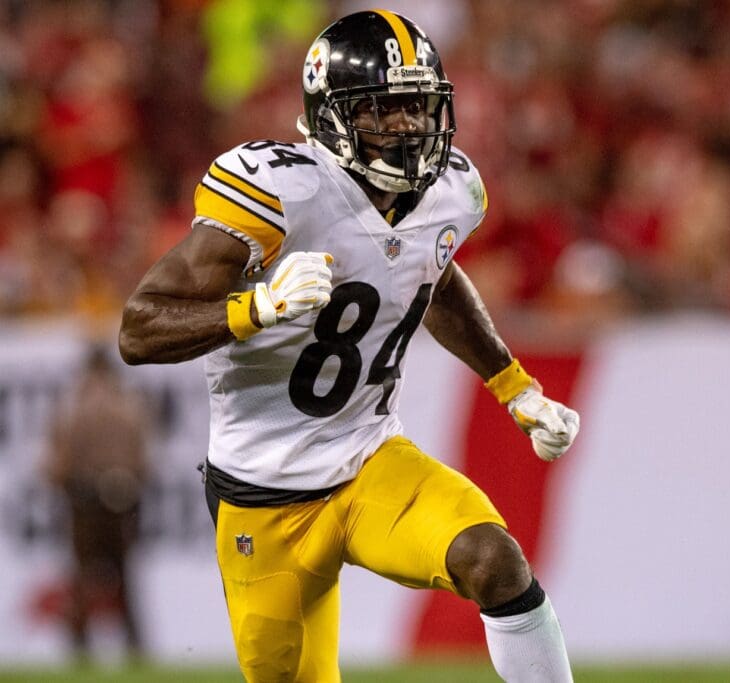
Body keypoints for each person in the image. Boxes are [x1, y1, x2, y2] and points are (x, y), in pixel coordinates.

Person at [118, 10, 580, 682]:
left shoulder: (448, 190)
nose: (407, 125)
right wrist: (257, 307)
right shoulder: (280, 191)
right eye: (382, 108)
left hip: (369, 460)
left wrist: (513, 386)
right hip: (264, 493)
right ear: (331, 115)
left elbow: (433, 274)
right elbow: (138, 328)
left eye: (416, 106)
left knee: (493, 558)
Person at [45, 345, 149, 661]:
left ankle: (80, 649)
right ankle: (135, 650)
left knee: (81, 578)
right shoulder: (130, 407)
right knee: (126, 580)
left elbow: (57, 467)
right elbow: (144, 464)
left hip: (84, 503)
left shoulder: (73, 409)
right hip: (122, 503)